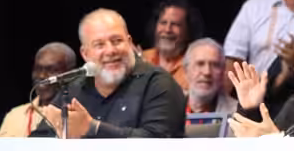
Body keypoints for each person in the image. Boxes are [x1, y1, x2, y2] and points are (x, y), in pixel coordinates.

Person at [31, 9, 186, 138]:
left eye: (117, 41)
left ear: (130, 42)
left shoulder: (159, 84)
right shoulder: (73, 89)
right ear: (85, 54)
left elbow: (158, 145)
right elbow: (38, 141)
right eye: (99, 45)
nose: (111, 50)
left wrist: (93, 128)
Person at [0, 43, 77, 137]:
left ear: (71, 74)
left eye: (51, 70)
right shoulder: (15, 116)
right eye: (38, 69)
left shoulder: (78, 116)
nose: (42, 75)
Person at [140, 0, 204, 92]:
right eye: (163, 23)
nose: (167, 30)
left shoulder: (195, 66)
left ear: (188, 31)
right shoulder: (141, 58)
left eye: (175, 24)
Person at [184, 38, 237, 115]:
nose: (207, 72)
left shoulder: (237, 114)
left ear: (223, 72)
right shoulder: (166, 108)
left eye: (215, 65)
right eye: (200, 64)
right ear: (186, 70)